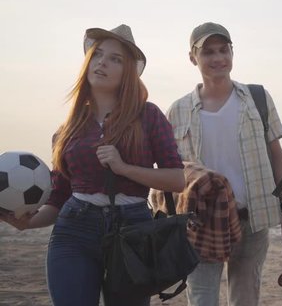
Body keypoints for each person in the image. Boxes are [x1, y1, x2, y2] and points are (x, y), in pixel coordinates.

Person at [0, 24, 185, 306]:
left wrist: (124, 168)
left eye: (115, 59)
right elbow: (60, 195)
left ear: (128, 72)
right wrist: (28, 223)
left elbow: (177, 180)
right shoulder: (68, 129)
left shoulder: (148, 116)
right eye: (98, 54)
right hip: (74, 230)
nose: (102, 62)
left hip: (133, 232)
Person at [166, 22, 282, 306]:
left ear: (232, 52)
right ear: (193, 58)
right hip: (200, 222)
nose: (218, 58)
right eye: (208, 53)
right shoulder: (177, 110)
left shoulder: (257, 98)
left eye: (223, 50)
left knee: (245, 298)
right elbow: (171, 171)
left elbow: (277, 156)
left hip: (251, 220)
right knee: (202, 298)